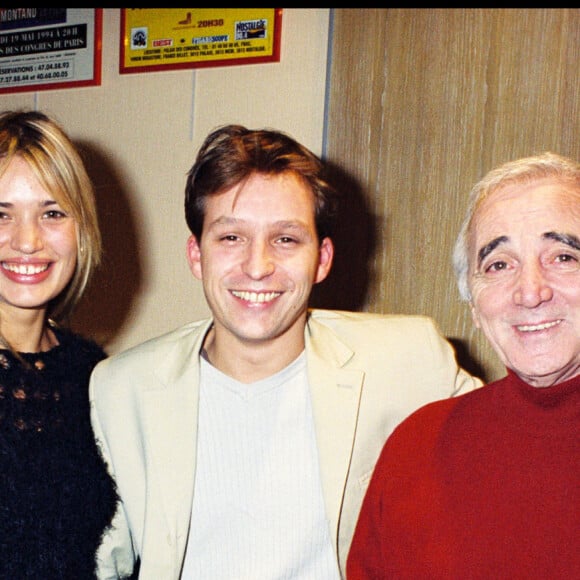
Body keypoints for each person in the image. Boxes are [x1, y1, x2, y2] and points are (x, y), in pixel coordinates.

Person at [90, 124, 482, 579]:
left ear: (323, 259)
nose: (258, 267)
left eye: (286, 239)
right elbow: (96, 560)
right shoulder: (122, 388)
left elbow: (510, 463)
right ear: (196, 255)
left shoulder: (407, 359)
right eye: (231, 238)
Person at [347, 151, 580, 579]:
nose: (530, 292)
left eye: (563, 256)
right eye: (498, 264)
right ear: (473, 304)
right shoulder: (417, 446)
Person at [0, 110, 118, 578]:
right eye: (0, 214)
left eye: (52, 213)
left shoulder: (95, 376)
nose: (27, 241)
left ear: (81, 228)